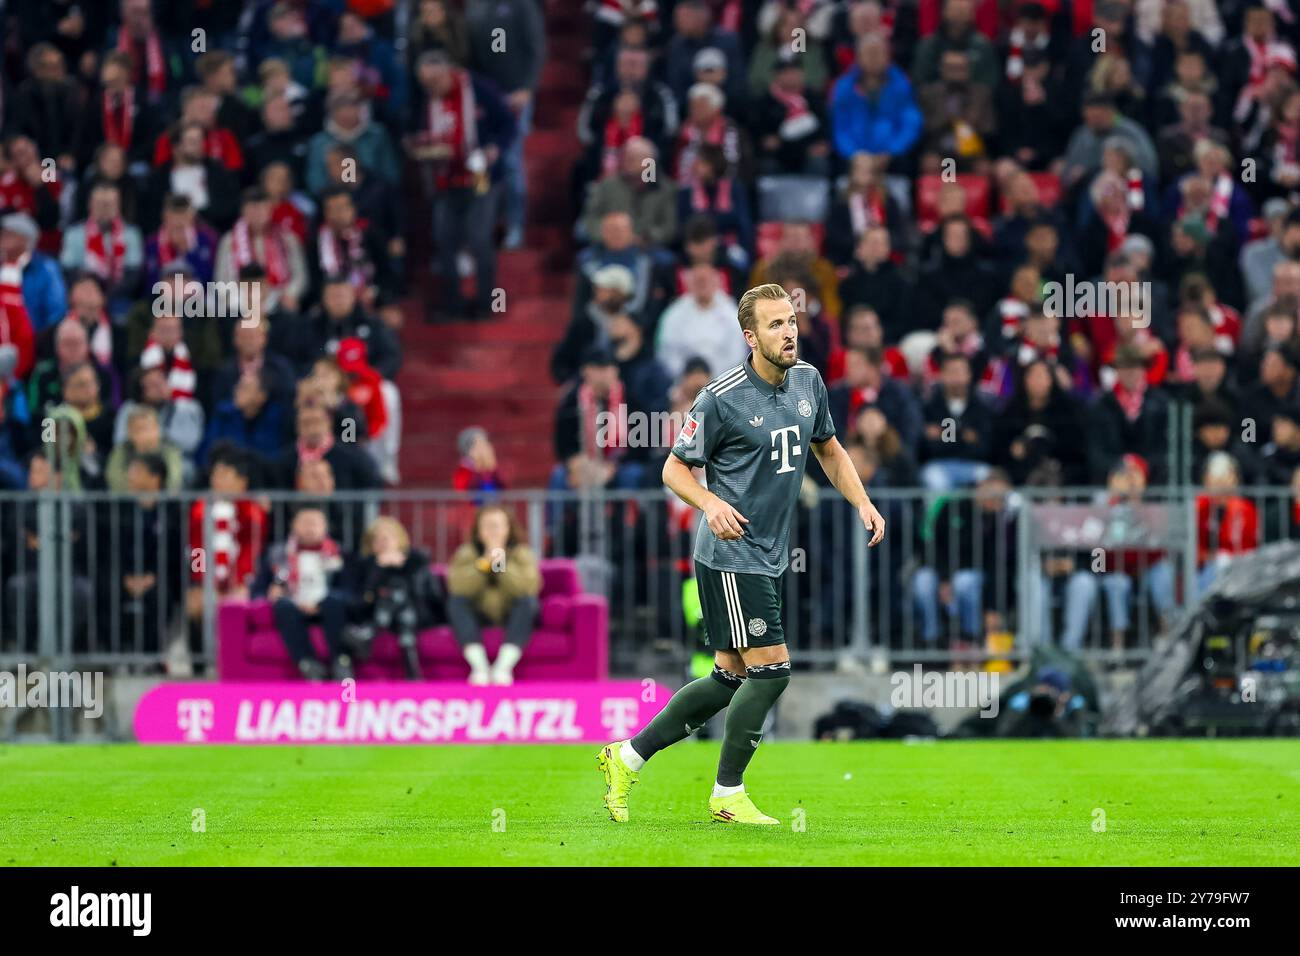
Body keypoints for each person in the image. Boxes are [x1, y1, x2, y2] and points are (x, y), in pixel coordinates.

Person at [599, 283, 886, 826]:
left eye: (792, 322)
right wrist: (709, 503)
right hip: (731, 554)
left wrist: (862, 502)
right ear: (750, 336)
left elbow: (827, 447)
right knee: (773, 671)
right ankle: (727, 793)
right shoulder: (722, 396)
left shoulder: (809, 381)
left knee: (729, 676)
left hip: (768, 552)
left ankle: (627, 755)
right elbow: (673, 468)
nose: (789, 332)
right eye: (775, 325)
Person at [251, 506, 355, 681]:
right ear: (294, 526)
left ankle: (340, 662)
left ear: (325, 527)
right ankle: (308, 664)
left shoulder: (340, 554)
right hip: (293, 604)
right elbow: (258, 591)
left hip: (326, 606)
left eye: (315, 523)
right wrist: (271, 592)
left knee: (335, 602)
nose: (310, 528)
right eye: (305, 523)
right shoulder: (278, 554)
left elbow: (350, 590)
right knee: (283, 606)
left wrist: (319, 604)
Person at [446, 504, 541, 685]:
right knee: (456, 602)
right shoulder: (466, 553)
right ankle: (479, 667)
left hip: (510, 613)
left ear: (508, 529)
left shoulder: (522, 553)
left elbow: (525, 588)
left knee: (528, 603)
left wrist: (500, 563)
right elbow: (458, 588)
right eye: (487, 526)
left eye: (496, 526)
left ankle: (503, 667)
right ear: (478, 531)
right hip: (478, 613)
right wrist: (483, 564)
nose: (492, 531)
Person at [350, 517, 441, 680]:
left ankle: (371, 631)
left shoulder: (417, 561)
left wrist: (404, 568)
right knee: (390, 598)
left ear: (400, 539)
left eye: (388, 537)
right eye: (377, 538)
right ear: (370, 544)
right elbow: (363, 599)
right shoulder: (365, 565)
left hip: (416, 614)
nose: (384, 542)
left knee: (398, 596)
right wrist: (378, 568)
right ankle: (412, 669)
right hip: (377, 613)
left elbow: (428, 596)